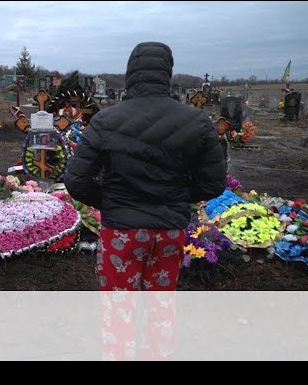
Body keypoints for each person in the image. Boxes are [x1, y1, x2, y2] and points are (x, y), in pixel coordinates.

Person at [64, 42, 226, 291]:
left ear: (131, 73)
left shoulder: (105, 121)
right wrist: (177, 197)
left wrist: (112, 201)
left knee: (119, 307)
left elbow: (76, 179)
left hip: (121, 231)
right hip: (168, 230)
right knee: (159, 306)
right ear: (167, 73)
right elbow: (213, 182)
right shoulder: (198, 122)